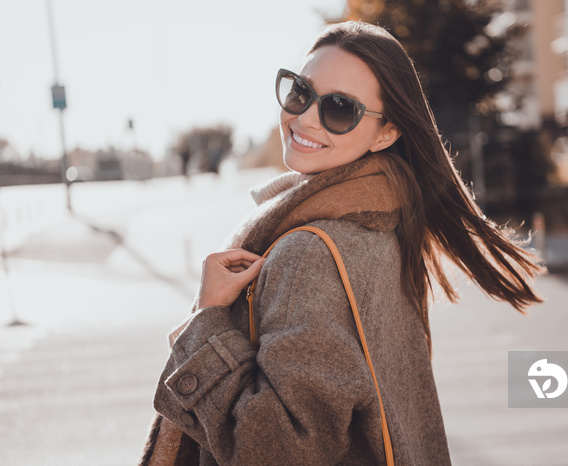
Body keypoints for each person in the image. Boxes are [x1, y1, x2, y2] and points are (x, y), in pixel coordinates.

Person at [140, 21, 544, 466]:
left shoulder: (309, 253)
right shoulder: (385, 223)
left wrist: (209, 318)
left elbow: (277, 452)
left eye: (339, 109)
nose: (306, 117)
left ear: (387, 133)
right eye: (300, 92)